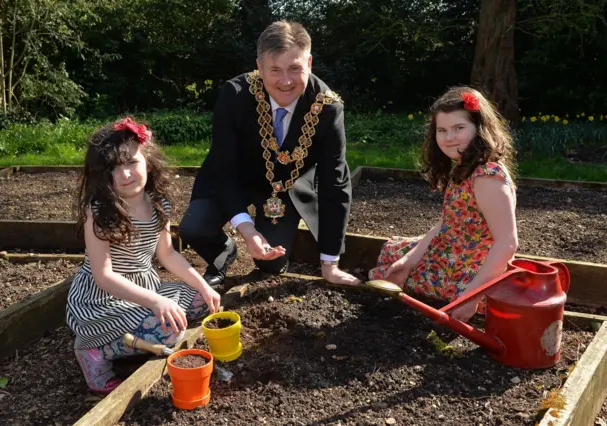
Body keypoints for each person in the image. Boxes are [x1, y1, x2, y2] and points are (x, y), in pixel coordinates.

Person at [179, 21, 359, 287]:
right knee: (194, 228)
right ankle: (223, 253)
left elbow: (335, 182)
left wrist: (330, 264)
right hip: (234, 178)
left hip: (284, 188)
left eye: (295, 68)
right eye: (275, 70)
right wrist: (248, 230)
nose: (285, 81)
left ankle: (271, 245)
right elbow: (223, 166)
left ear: (309, 63)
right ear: (259, 67)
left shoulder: (328, 108)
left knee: (271, 264)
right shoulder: (235, 94)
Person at [66, 117, 221, 394]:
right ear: (101, 173)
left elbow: (168, 254)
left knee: (201, 301)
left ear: (147, 161)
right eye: (114, 167)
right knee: (171, 331)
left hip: (144, 287)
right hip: (102, 299)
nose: (125, 174)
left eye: (131, 163)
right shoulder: (100, 212)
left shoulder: (158, 203)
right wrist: (157, 301)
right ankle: (94, 352)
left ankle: (135, 338)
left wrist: (203, 284)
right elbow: (104, 276)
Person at [369, 87, 518, 322]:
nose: (449, 138)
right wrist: (410, 260)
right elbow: (446, 223)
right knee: (394, 257)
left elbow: (507, 242)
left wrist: (471, 296)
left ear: (479, 129)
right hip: (452, 248)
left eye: (459, 128)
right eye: (442, 130)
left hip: (472, 266)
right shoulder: (464, 167)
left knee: (387, 273)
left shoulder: (487, 176)